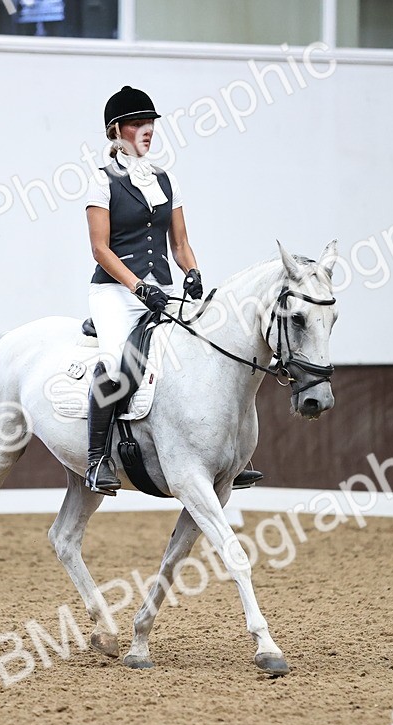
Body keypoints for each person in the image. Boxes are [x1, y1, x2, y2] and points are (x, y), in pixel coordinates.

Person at [82, 86, 262, 495]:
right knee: (117, 364)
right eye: (137, 124)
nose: (147, 130)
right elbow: (100, 248)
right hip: (115, 292)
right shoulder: (101, 181)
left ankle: (229, 456)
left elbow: (179, 243)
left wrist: (193, 271)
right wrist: (137, 286)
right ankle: (96, 461)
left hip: (161, 289)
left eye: (150, 124)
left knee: (204, 352)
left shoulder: (166, 179)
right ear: (116, 131)